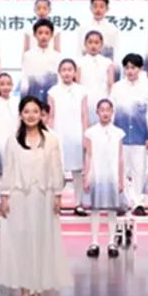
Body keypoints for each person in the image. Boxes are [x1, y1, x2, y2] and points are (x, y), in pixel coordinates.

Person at [0, 95, 72, 296]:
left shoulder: (52, 139)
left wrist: (58, 195)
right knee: (22, 241)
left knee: (41, 241)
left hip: (43, 196)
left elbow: (56, 168)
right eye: (27, 111)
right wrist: (4, 196)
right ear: (20, 114)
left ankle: (38, 290)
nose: (31, 115)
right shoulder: (13, 140)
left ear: (42, 114)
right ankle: (25, 289)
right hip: (20, 196)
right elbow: (8, 169)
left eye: (35, 111)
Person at [111, 53, 148, 215]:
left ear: (140, 69)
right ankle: (123, 201)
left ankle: (138, 202)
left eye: (133, 68)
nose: (130, 71)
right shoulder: (117, 88)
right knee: (122, 170)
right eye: (127, 68)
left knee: (139, 170)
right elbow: (111, 111)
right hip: (121, 136)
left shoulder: (146, 89)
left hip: (139, 136)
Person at [82, 98, 127, 258]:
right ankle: (94, 242)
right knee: (95, 209)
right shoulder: (90, 132)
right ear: (97, 112)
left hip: (112, 175)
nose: (105, 113)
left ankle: (111, 242)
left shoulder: (118, 133)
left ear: (112, 112)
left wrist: (121, 179)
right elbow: (88, 155)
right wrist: (87, 175)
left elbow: (120, 157)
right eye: (102, 110)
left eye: (108, 110)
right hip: (96, 174)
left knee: (112, 210)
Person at [48, 59, 87, 208]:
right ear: (59, 72)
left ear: (75, 72)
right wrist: (50, 135)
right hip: (59, 133)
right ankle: (55, 202)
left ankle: (78, 203)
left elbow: (84, 115)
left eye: (70, 70)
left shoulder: (82, 91)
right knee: (57, 169)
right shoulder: (53, 91)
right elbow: (51, 116)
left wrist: (85, 136)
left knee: (78, 171)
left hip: (77, 133)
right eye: (64, 70)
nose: (67, 73)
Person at [20, 18, 61, 103]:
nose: (43, 36)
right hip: (33, 95)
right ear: (34, 34)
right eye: (40, 33)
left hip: (51, 96)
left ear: (52, 35)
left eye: (47, 33)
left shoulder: (57, 56)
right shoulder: (28, 55)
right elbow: (25, 79)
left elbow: (58, 79)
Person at [77, 30, 114, 124]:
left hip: (102, 99)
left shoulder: (108, 62)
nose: (93, 45)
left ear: (101, 44)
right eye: (90, 42)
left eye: (96, 42)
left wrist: (109, 102)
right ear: (85, 44)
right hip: (85, 101)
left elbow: (110, 84)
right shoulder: (79, 62)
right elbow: (77, 83)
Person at [78, 0, 119, 64]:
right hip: (86, 65)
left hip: (106, 66)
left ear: (107, 9)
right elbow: (79, 50)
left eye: (101, 6)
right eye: (95, 6)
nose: (98, 10)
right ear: (90, 8)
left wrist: (113, 66)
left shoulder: (112, 29)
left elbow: (116, 51)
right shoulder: (83, 28)